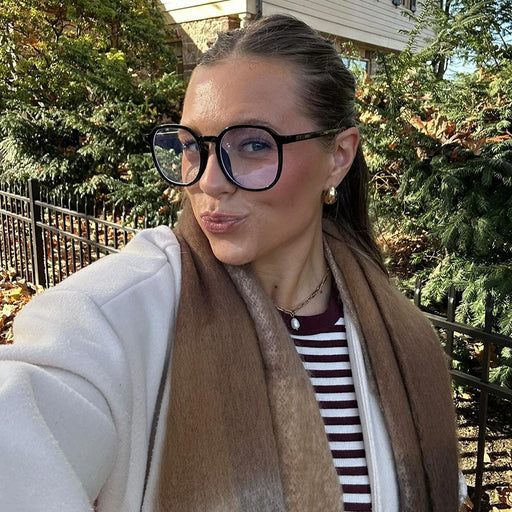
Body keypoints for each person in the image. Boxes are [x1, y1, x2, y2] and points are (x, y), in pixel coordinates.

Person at [0, 14, 464, 512]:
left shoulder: (403, 337)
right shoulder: (118, 316)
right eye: (191, 146)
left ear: (339, 156)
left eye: (253, 145)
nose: (208, 181)